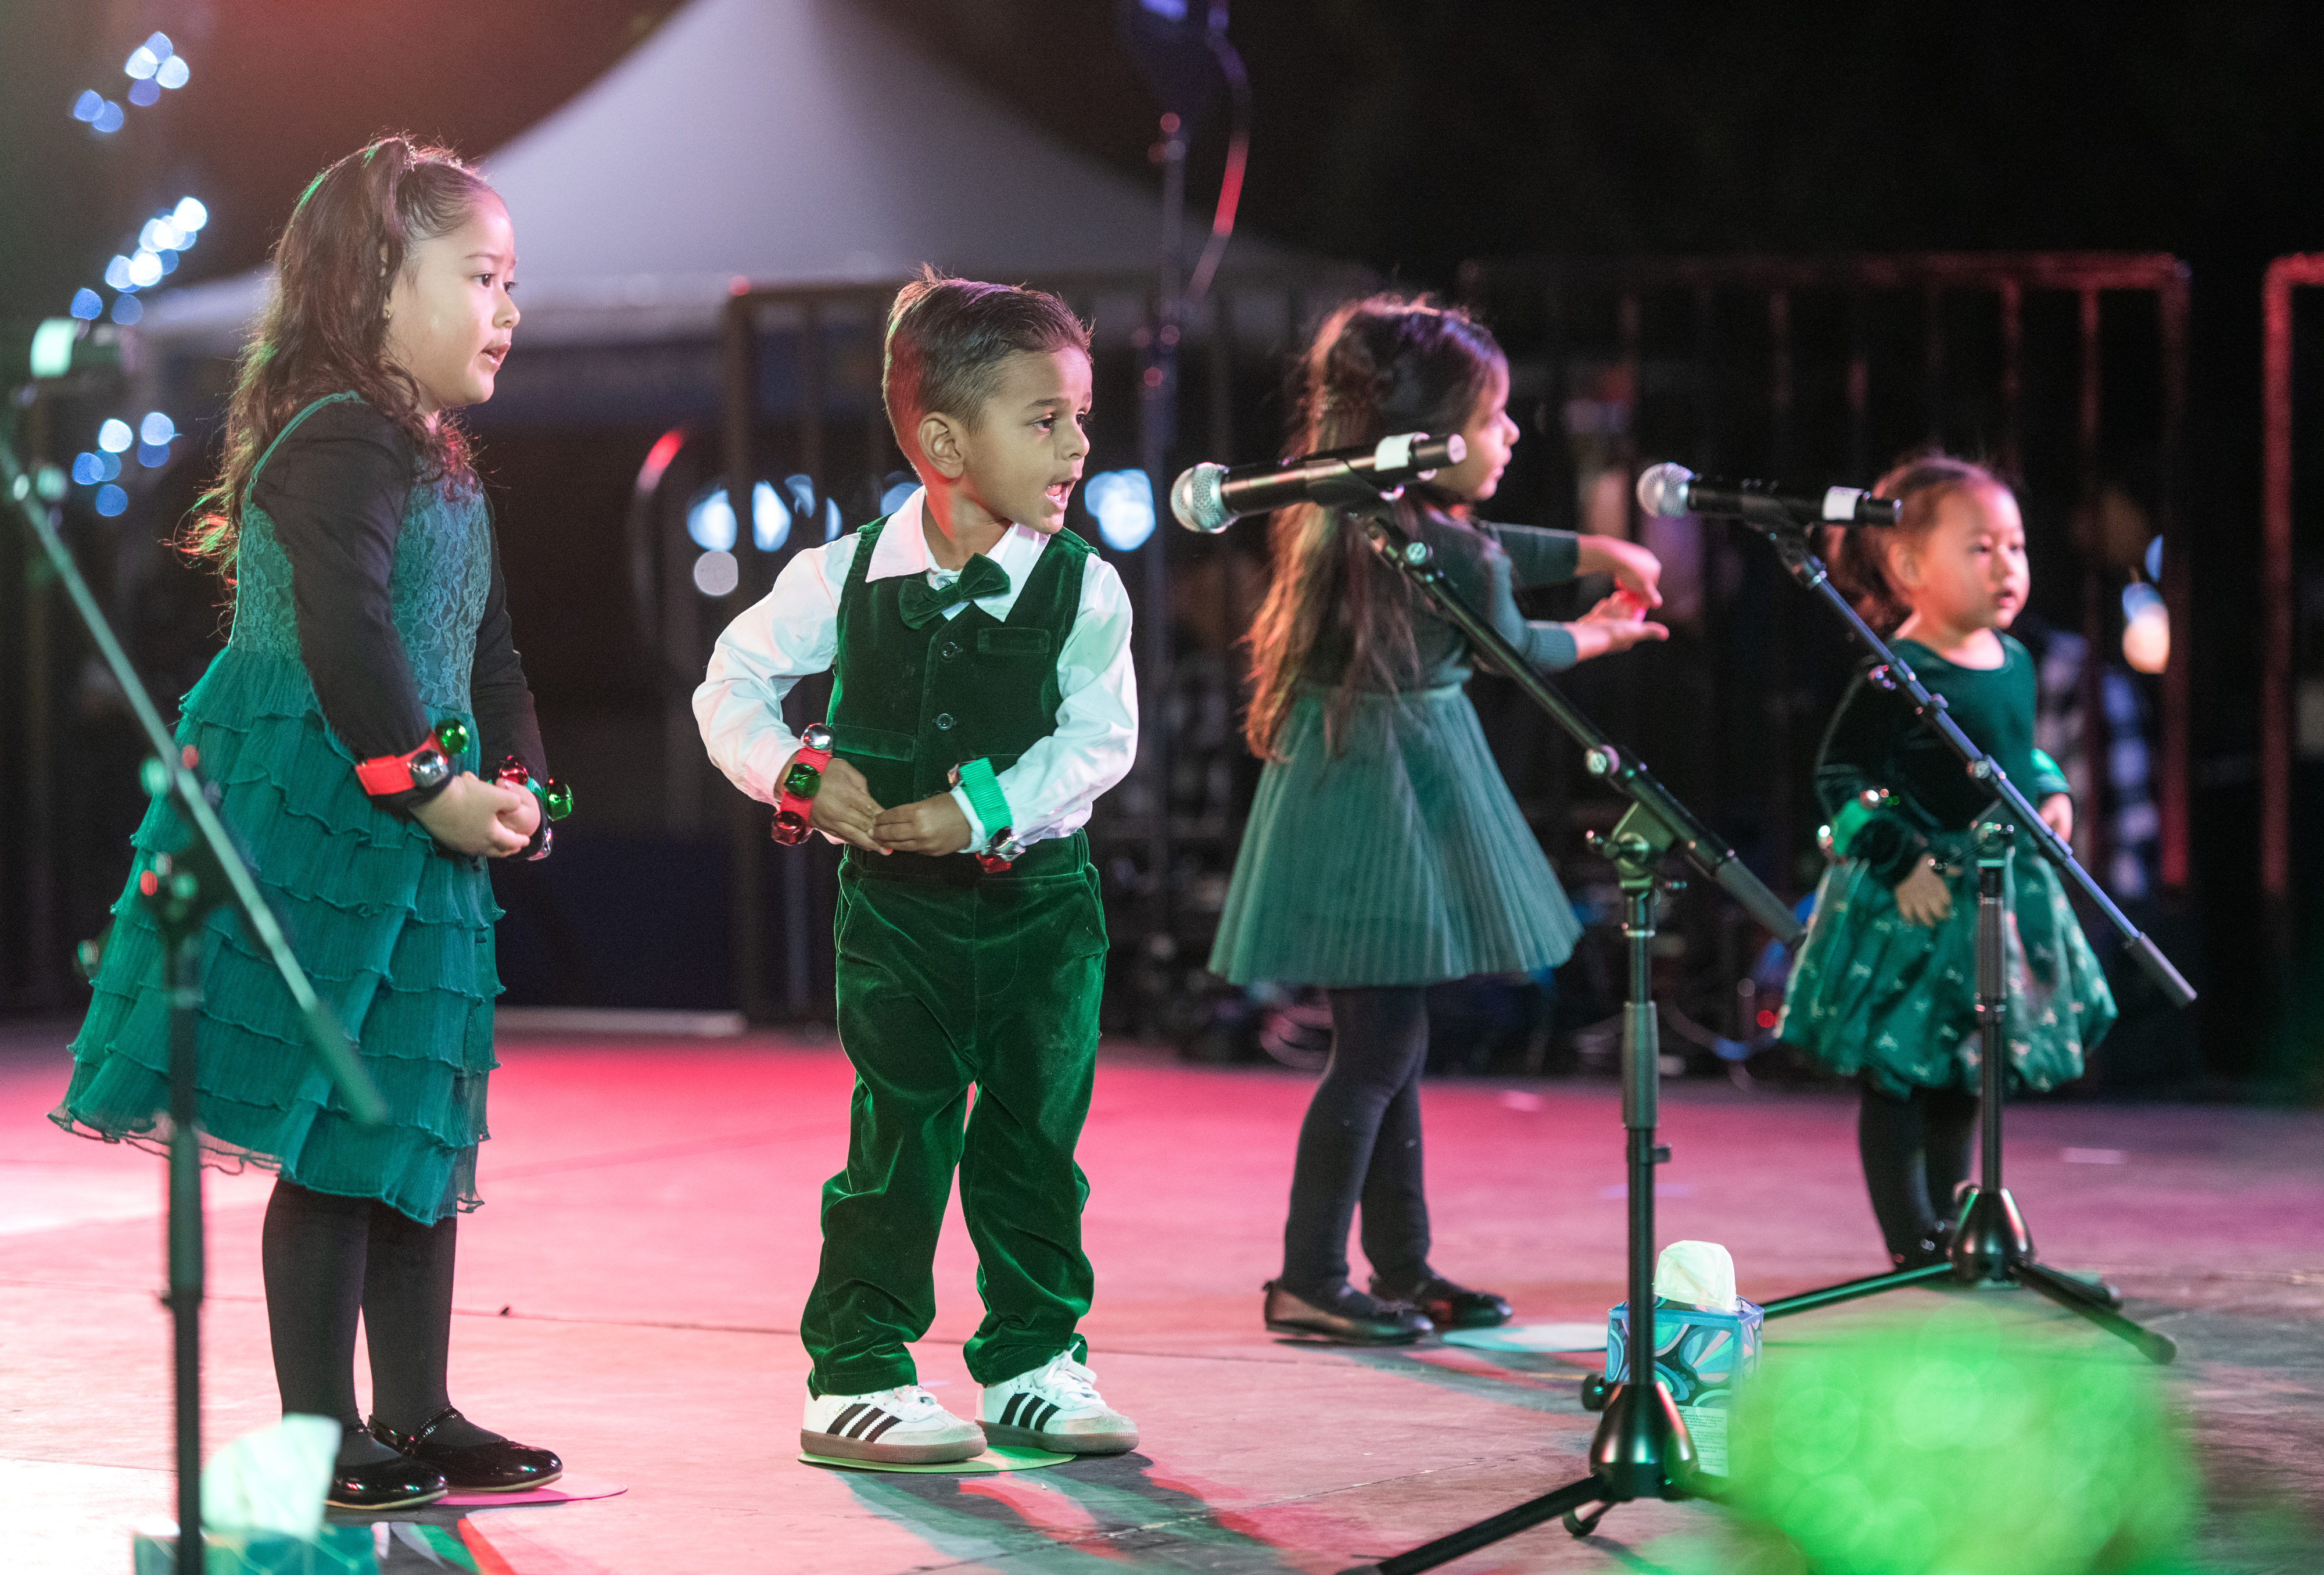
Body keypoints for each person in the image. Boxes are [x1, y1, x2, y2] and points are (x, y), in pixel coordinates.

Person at [53, 138, 562, 1511]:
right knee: (346, 1114)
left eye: (516, 282)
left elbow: (487, 647)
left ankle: (416, 1407)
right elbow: (347, 631)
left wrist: (524, 782)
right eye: (483, 276)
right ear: (380, 280)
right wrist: (429, 782)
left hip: (419, 797)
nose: (510, 307)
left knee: (415, 1114)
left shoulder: (438, 454)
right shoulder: (339, 434)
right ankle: (318, 1427)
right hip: (330, 796)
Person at [696, 271, 1139, 1465]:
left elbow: (1098, 740)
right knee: (900, 1136)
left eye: (1078, 414)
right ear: (946, 440)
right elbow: (728, 681)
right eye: (1042, 418)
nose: (1075, 443)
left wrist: (978, 806)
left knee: (1035, 1141)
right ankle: (856, 1368)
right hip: (895, 919)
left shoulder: (1084, 585)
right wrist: (793, 771)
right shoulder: (845, 577)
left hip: (1044, 911)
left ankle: (1034, 1360)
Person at [1210, 295, 1669, 1345]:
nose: (1513, 435)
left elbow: (1492, 544)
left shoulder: (1346, 511)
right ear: (1433, 434)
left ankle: (1399, 1267)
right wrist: (1602, 631)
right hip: (1392, 803)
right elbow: (1516, 644)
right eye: (1497, 416)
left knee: (1386, 1041)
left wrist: (1597, 547)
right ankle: (1310, 1278)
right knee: (1377, 1051)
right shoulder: (1439, 550)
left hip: (1348, 787)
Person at [1778, 454, 2117, 1267]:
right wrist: (1897, 859)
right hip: (1911, 902)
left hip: (1991, 894)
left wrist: (2051, 789)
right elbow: (1841, 779)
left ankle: (1954, 1224)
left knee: (1967, 1064)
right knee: (1899, 1068)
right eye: (1981, 547)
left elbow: (2017, 753)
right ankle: (1912, 1233)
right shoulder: (1895, 673)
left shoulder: (2016, 661)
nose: (2007, 566)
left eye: (2017, 546)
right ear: (1907, 564)